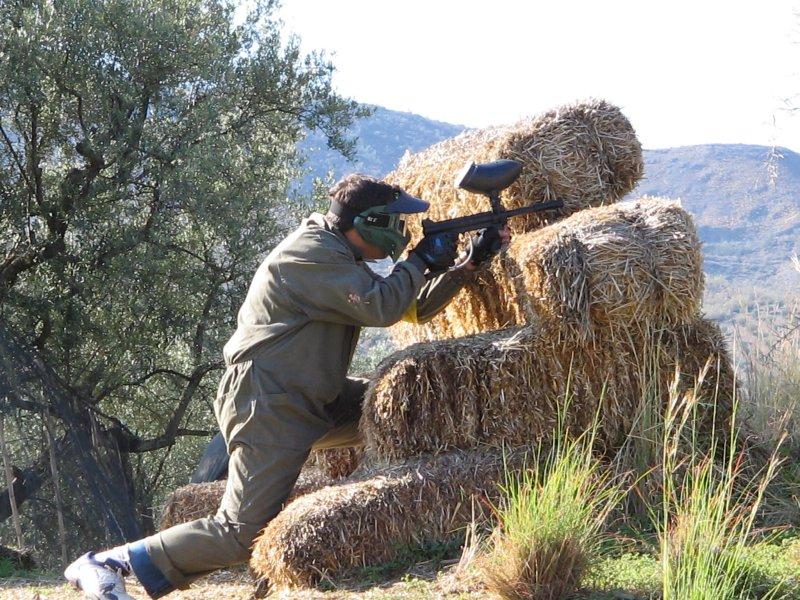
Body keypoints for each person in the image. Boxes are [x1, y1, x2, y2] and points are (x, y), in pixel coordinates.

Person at [64, 174, 510, 599]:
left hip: (313, 396)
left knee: (399, 406)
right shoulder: (310, 254)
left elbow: (408, 306)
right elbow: (380, 307)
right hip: (270, 400)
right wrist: (419, 260)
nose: (402, 230)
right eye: (396, 222)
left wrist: (466, 266)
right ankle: (108, 562)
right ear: (368, 222)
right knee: (239, 532)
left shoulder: (339, 254)